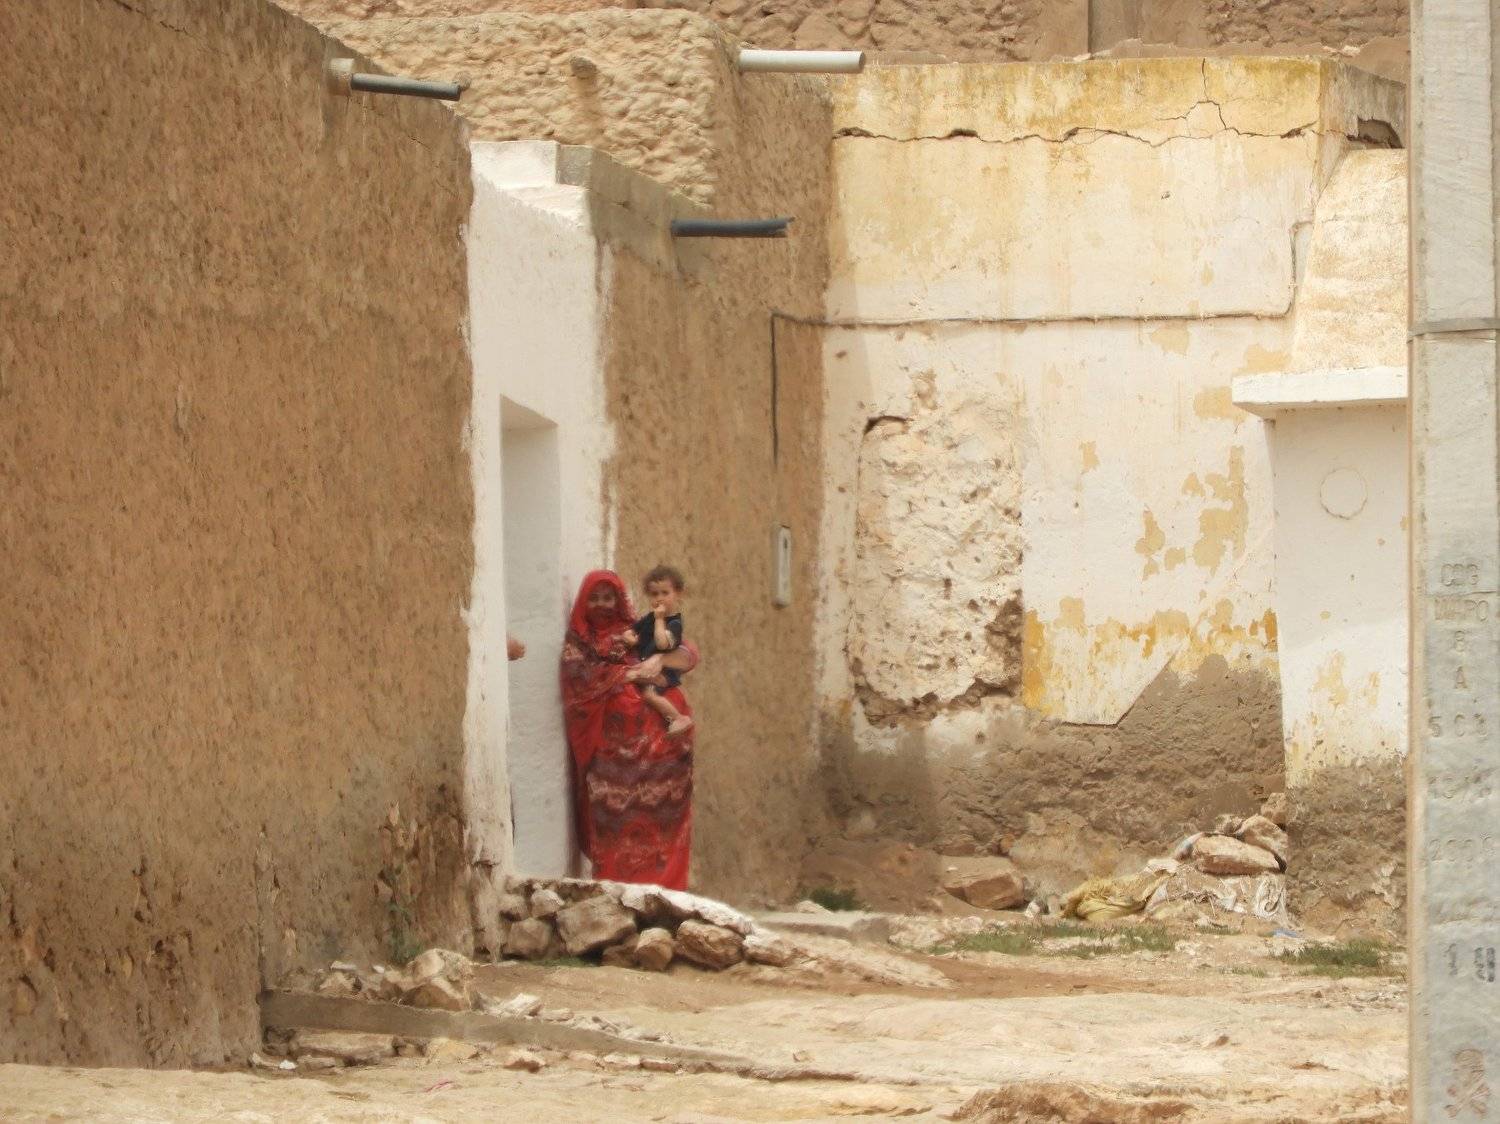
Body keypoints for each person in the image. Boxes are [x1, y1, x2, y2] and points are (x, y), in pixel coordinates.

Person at [560, 570, 698, 888]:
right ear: (582, 603)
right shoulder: (579, 645)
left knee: (663, 822)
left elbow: (689, 654)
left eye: (608, 598)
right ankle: (616, 894)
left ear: (619, 600)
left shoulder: (636, 630)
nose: (601, 605)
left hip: (664, 758)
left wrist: (660, 662)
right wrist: (628, 674)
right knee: (615, 824)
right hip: (614, 765)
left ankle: (667, 893)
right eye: (594, 598)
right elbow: (579, 683)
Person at [622, 565, 693, 737]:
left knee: (649, 694)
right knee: (629, 678)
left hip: (665, 672)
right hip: (646, 665)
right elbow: (632, 630)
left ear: (677, 594)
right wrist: (629, 637)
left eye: (665, 593)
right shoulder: (649, 618)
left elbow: (662, 644)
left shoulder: (674, 624)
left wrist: (660, 620)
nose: (659, 598)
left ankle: (678, 718)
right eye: (655, 594)